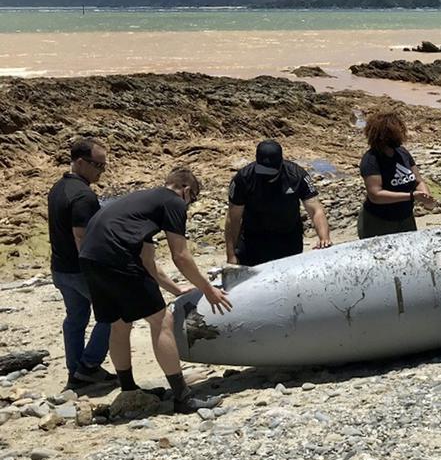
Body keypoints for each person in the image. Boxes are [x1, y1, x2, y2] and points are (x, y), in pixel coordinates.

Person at [79, 167, 233, 413]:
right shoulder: (173, 202)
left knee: (119, 324)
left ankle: (129, 390)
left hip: (89, 257)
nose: (189, 205)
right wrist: (208, 290)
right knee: (162, 320)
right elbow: (180, 256)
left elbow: (148, 262)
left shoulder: (143, 201)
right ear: (185, 189)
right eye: (192, 199)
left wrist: (175, 290)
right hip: (116, 257)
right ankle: (183, 397)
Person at [47, 138, 116, 390]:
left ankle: (75, 372)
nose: (101, 171)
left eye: (103, 165)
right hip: (79, 270)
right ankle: (89, 366)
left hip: (60, 268)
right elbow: (81, 238)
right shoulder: (83, 196)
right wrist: (97, 272)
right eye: (97, 165)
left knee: (75, 318)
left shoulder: (58, 187)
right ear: (79, 162)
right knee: (114, 314)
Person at [225, 140, 332, 266]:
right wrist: (231, 255)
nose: (267, 176)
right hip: (253, 240)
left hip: (288, 239)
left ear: (280, 163)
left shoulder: (297, 176)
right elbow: (233, 219)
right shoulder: (243, 179)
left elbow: (315, 210)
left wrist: (324, 238)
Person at [358, 112, 434, 239]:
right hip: (379, 221)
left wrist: (426, 197)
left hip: (405, 217)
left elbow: (418, 181)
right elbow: (376, 195)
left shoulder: (402, 153)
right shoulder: (371, 160)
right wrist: (411, 196)